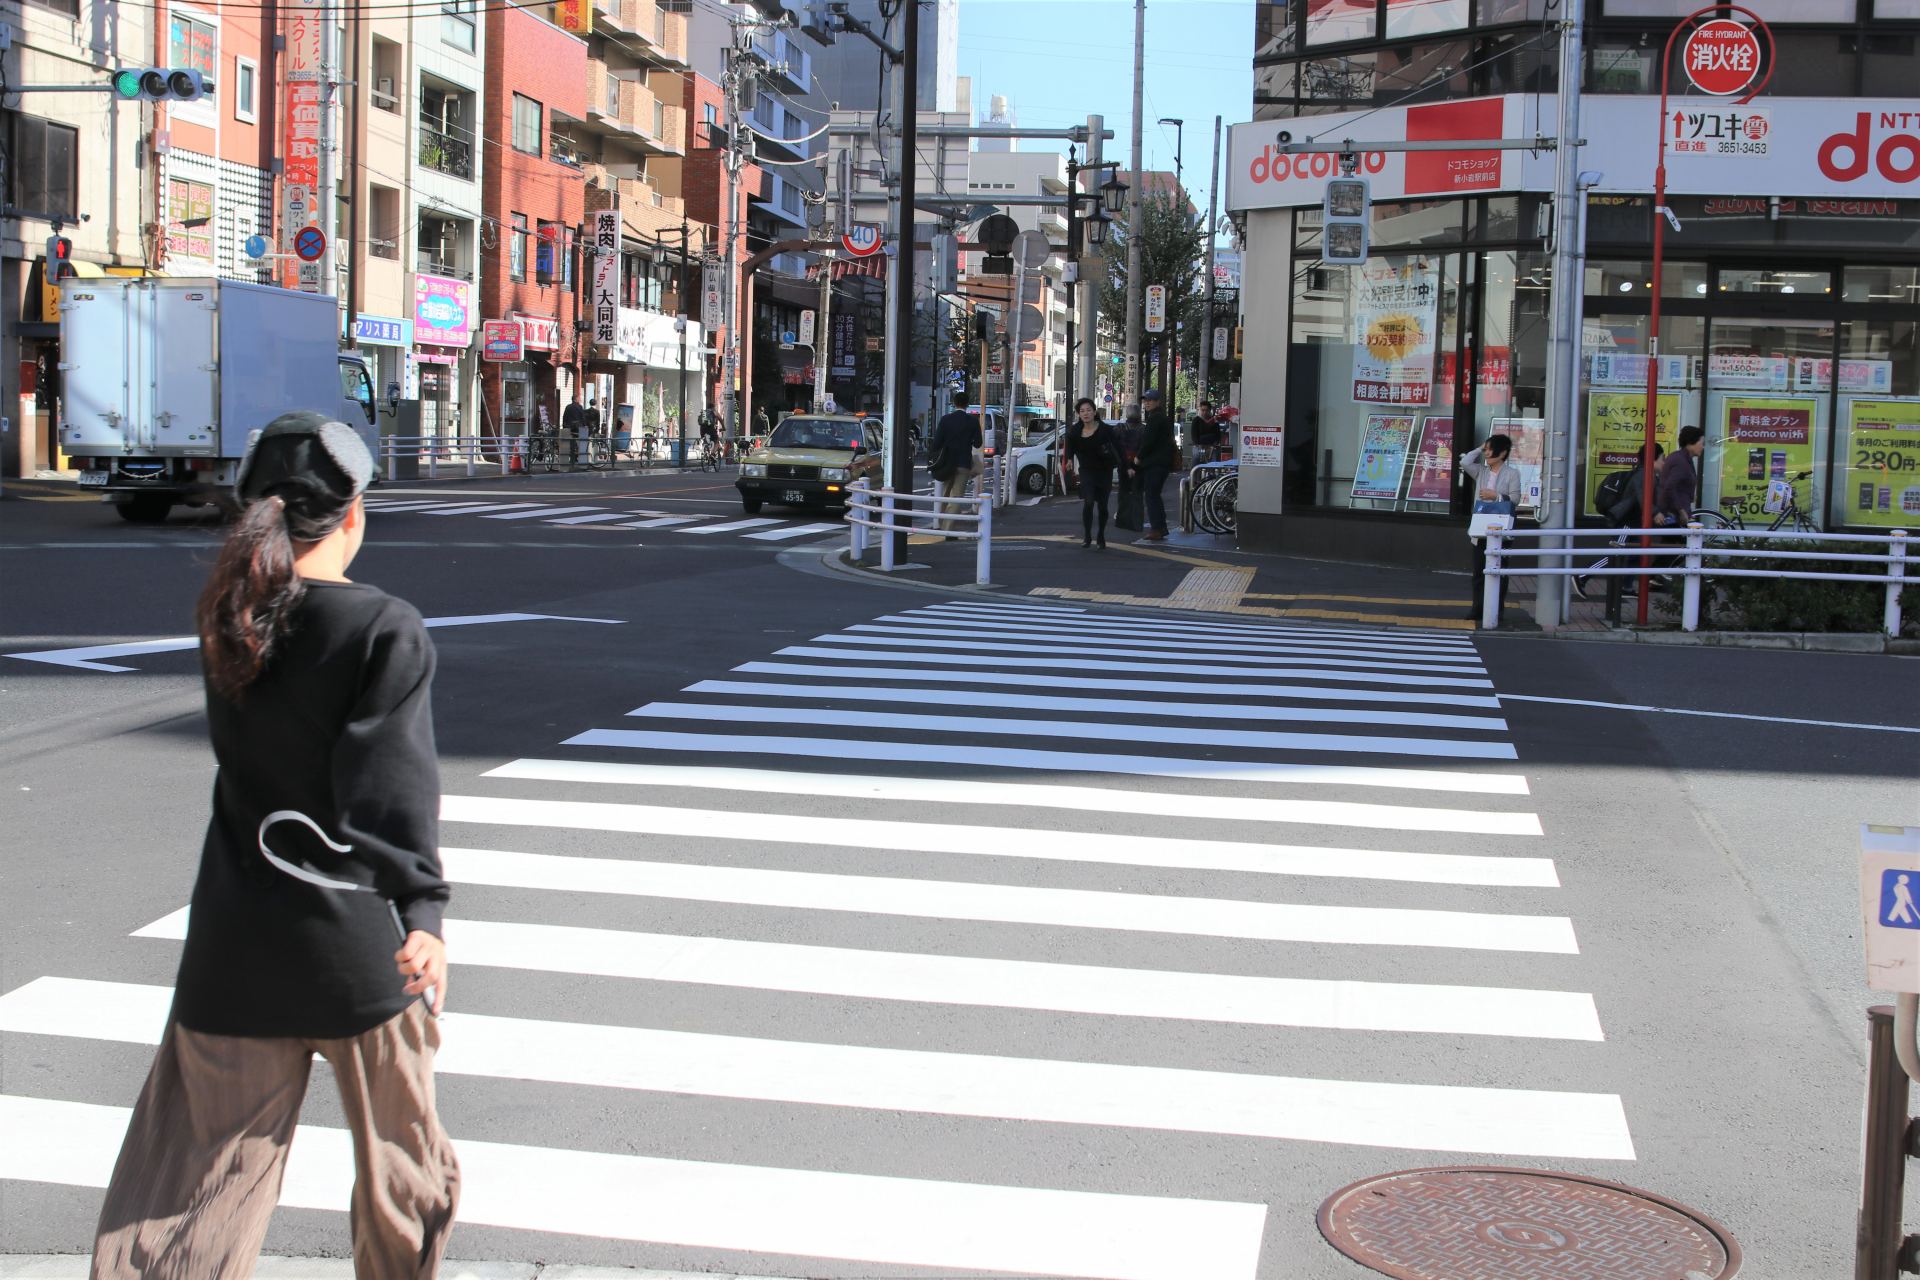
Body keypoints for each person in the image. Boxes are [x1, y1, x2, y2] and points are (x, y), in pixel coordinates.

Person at [89, 412, 458, 1280]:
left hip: (235, 940)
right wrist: (425, 911)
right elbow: (390, 784)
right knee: (401, 1171)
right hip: (361, 946)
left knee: (197, 1182)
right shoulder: (381, 627)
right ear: (354, 514)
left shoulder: (230, 614)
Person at [1573, 443, 1664, 600]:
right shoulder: (1644, 476)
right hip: (1627, 523)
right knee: (1616, 554)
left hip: (1634, 523)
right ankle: (1582, 575)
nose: (1664, 462)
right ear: (1652, 460)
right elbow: (1643, 498)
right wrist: (1655, 513)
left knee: (1636, 554)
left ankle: (1626, 587)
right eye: (1662, 459)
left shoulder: (1645, 474)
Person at [1461, 432, 1525, 622]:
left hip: (1501, 530)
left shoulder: (1512, 473)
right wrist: (1480, 447)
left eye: (1490, 450)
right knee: (1479, 571)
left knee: (1500, 573)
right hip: (1480, 529)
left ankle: (1497, 610)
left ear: (1503, 453)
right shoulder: (1481, 471)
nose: (1487, 454)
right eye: (1486, 450)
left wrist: (1495, 496)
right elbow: (1465, 462)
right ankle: (1477, 609)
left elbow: (1515, 499)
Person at [1064, 397, 1124, 549]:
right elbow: (1070, 445)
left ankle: (1101, 535)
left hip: (1104, 471)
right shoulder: (1075, 431)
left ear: (1094, 412)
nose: (1085, 413)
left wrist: (1127, 466)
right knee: (1089, 501)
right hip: (1086, 471)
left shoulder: (1105, 430)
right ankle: (1087, 535)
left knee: (1103, 506)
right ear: (1078, 414)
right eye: (1082, 411)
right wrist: (1069, 459)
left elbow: (1119, 447)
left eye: (1089, 410)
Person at [928, 390, 983, 533]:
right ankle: (948, 528)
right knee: (957, 497)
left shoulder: (945, 419)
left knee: (944, 494)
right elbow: (978, 443)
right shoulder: (972, 421)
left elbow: (936, 443)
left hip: (946, 462)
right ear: (967, 404)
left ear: (954, 403)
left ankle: (939, 524)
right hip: (963, 463)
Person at [1135, 387, 1177, 542]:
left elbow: (1148, 442)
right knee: (1154, 495)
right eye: (1145, 400)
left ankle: (1157, 528)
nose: (1147, 403)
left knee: (1152, 495)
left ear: (1158, 401)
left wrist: (1139, 457)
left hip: (1155, 464)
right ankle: (1160, 527)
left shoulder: (1155, 418)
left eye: (1150, 400)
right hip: (1162, 463)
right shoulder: (1161, 417)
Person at [1656, 424, 1706, 527]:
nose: (1703, 447)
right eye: (1701, 443)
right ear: (1691, 442)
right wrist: (1681, 511)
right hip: (1672, 514)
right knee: (1675, 542)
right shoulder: (1680, 461)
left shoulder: (1683, 458)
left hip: (1675, 512)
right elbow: (1670, 487)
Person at [1188, 399, 1222, 468]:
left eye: (1206, 410)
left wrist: (1215, 443)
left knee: (1214, 460)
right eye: (1202, 410)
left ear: (1210, 411)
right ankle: (1194, 476)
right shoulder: (1196, 420)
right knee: (1196, 457)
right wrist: (1199, 442)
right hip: (1199, 446)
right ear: (1199, 410)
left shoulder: (1214, 420)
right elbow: (1194, 436)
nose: (1204, 412)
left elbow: (1218, 435)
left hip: (1212, 447)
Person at [561, 392, 589, 467]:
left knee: (570, 443)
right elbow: (582, 417)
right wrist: (585, 425)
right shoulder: (579, 407)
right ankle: (578, 457)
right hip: (578, 428)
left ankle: (571, 457)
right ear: (576, 399)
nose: (580, 399)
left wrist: (564, 426)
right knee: (579, 443)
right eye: (579, 398)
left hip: (569, 427)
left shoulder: (568, 407)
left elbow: (564, 417)